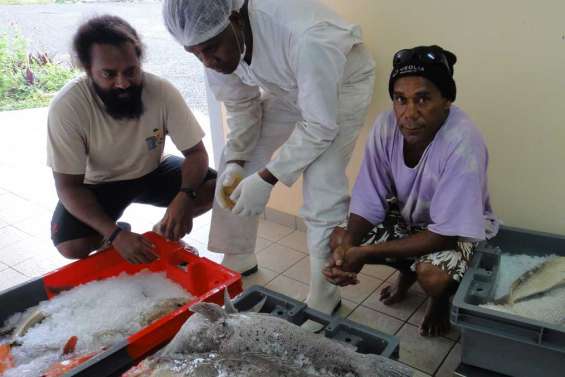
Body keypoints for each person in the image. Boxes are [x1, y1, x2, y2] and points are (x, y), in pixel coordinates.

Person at [163, 0, 375, 313]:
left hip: (341, 84)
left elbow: (319, 126)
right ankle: (239, 254)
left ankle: (324, 296)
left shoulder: (306, 37)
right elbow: (241, 106)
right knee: (237, 160)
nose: (207, 61)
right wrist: (237, 163)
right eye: (195, 53)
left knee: (322, 183)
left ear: (234, 19)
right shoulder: (217, 42)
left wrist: (267, 177)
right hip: (288, 86)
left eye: (209, 49)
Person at [323, 45, 499, 336]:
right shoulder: (385, 127)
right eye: (400, 100)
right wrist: (347, 248)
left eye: (423, 99)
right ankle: (407, 273)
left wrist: (363, 253)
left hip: (456, 232)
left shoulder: (463, 142)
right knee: (340, 235)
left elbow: (444, 234)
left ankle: (439, 302)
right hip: (411, 222)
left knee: (432, 274)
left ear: (447, 100)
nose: (409, 113)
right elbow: (368, 200)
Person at [47, 15, 216, 264]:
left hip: (151, 170)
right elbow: (68, 187)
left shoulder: (161, 91)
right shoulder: (68, 106)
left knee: (217, 189)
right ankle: (114, 234)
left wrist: (185, 197)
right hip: (98, 184)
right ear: (88, 70)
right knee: (72, 245)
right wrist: (115, 235)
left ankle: (162, 234)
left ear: (139, 61)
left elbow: (196, 154)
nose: (123, 83)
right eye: (108, 74)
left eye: (131, 71)